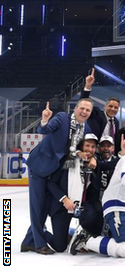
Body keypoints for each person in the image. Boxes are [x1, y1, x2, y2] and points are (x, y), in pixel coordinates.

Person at [22, 99, 93, 255]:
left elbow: (74, 149)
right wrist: (45, 120)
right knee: (38, 208)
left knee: (44, 208)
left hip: (55, 171)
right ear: (75, 108)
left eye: (88, 110)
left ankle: (28, 242)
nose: (84, 112)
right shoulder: (62, 118)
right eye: (82, 108)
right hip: (40, 166)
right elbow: (43, 130)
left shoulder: (85, 128)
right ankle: (39, 244)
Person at [81, 68, 120, 140]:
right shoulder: (96, 114)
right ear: (105, 106)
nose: (113, 109)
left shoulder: (116, 122)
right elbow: (83, 103)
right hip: (94, 149)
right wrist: (87, 86)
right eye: (110, 106)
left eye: (115, 107)